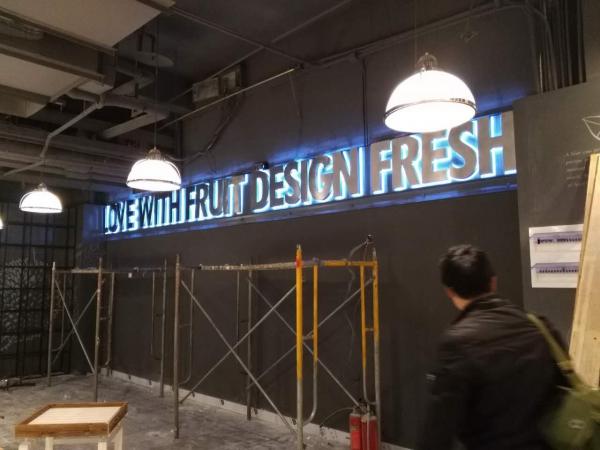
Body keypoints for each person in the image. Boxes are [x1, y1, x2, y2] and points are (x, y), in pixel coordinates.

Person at [418, 244, 565, 450]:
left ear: (449, 291)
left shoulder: (457, 343)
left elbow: (438, 431)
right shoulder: (540, 326)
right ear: (493, 281)